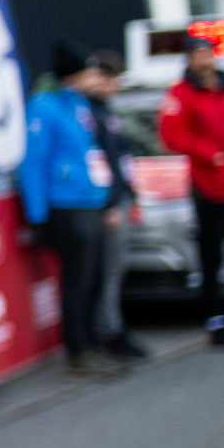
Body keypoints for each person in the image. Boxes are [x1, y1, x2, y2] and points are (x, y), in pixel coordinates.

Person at [19, 42, 120, 377]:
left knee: (94, 277)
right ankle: (77, 351)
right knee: (77, 281)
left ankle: (94, 344)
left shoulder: (81, 105)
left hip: (90, 199)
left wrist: (106, 196)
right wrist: (38, 216)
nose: (95, 76)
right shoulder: (44, 106)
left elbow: (94, 152)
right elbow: (34, 162)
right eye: (89, 70)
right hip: (65, 204)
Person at [158, 33, 224, 345]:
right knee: (212, 256)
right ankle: (216, 318)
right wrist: (209, 153)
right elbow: (172, 136)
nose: (204, 59)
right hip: (210, 187)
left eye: (208, 53)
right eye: (198, 54)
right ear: (189, 59)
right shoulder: (181, 95)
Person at [82, 49, 148, 360]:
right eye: (107, 78)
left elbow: (121, 159)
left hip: (118, 199)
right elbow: (98, 163)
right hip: (106, 204)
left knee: (114, 269)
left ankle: (111, 327)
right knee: (107, 270)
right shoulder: (88, 115)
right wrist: (110, 203)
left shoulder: (107, 113)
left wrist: (131, 193)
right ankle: (109, 332)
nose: (112, 85)